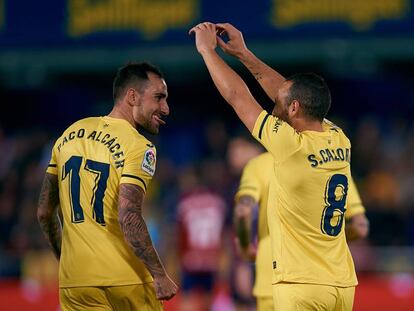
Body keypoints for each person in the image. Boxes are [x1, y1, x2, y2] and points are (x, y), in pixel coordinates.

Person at [190, 22, 359, 310]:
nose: (274, 102)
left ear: (294, 108)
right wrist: (243, 54)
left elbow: (237, 97)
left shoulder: (290, 146)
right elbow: (290, 94)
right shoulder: (338, 138)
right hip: (342, 284)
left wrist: (208, 51)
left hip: (300, 286)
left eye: (281, 101)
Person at [37, 62, 178, 310]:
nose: (165, 108)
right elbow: (128, 216)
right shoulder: (138, 146)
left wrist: (66, 259)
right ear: (132, 96)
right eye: (159, 97)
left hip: (76, 283)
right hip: (126, 282)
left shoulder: (68, 135)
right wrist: (159, 274)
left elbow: (44, 212)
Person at [234, 151, 369, 311]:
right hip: (331, 277)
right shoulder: (335, 162)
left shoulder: (259, 164)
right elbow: (360, 227)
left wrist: (244, 247)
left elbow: (244, 211)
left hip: (278, 279)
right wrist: (328, 239)